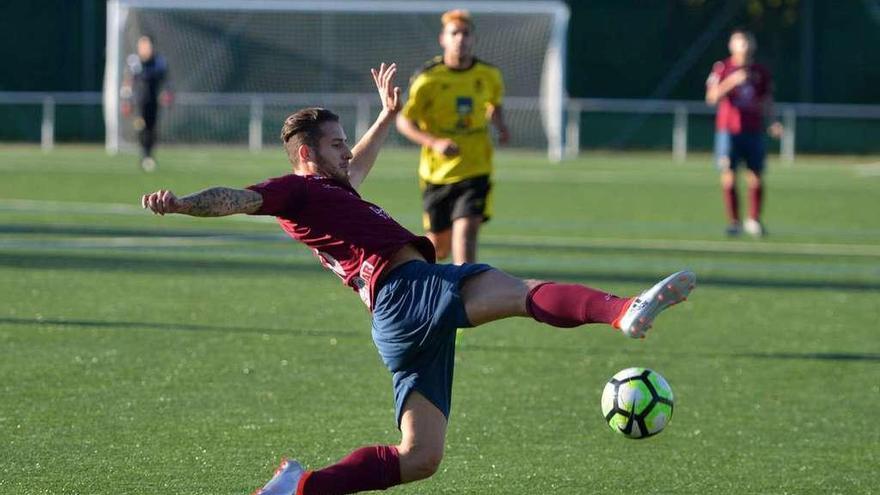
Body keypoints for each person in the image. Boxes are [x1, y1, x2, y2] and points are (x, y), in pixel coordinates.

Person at [141, 63, 696, 495]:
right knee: (518, 292)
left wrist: (387, 114)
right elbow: (236, 199)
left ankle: (303, 486)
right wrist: (182, 204)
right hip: (406, 291)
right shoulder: (298, 189)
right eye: (337, 143)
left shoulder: (332, 190)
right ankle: (623, 309)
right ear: (306, 155)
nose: (347, 149)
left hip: (396, 317)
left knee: (420, 458)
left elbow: (359, 164)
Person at [396, 9, 510, 264]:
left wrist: (500, 125)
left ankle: (465, 298)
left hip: (476, 166)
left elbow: (495, 103)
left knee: (466, 234)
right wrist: (434, 142)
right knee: (439, 249)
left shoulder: (489, 75)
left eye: (466, 33)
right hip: (437, 173)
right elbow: (404, 120)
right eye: (454, 33)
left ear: (474, 39)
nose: (461, 38)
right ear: (443, 39)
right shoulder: (428, 78)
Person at [705, 28, 782, 237]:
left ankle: (754, 220)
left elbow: (766, 100)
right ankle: (734, 222)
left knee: (755, 175)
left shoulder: (760, 71)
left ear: (753, 44)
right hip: (728, 130)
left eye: (747, 41)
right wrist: (732, 81)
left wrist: (773, 121)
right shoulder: (722, 68)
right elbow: (711, 97)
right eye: (739, 41)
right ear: (731, 45)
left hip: (753, 129)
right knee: (729, 175)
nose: (744, 45)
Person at [121, 35, 172, 172]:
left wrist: (167, 93)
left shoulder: (159, 61)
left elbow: (165, 81)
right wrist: (126, 100)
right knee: (141, 127)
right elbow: (128, 81)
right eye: (142, 45)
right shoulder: (134, 62)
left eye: (147, 45)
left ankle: (149, 155)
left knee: (151, 129)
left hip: (153, 101)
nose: (145, 48)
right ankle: (144, 156)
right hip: (138, 102)